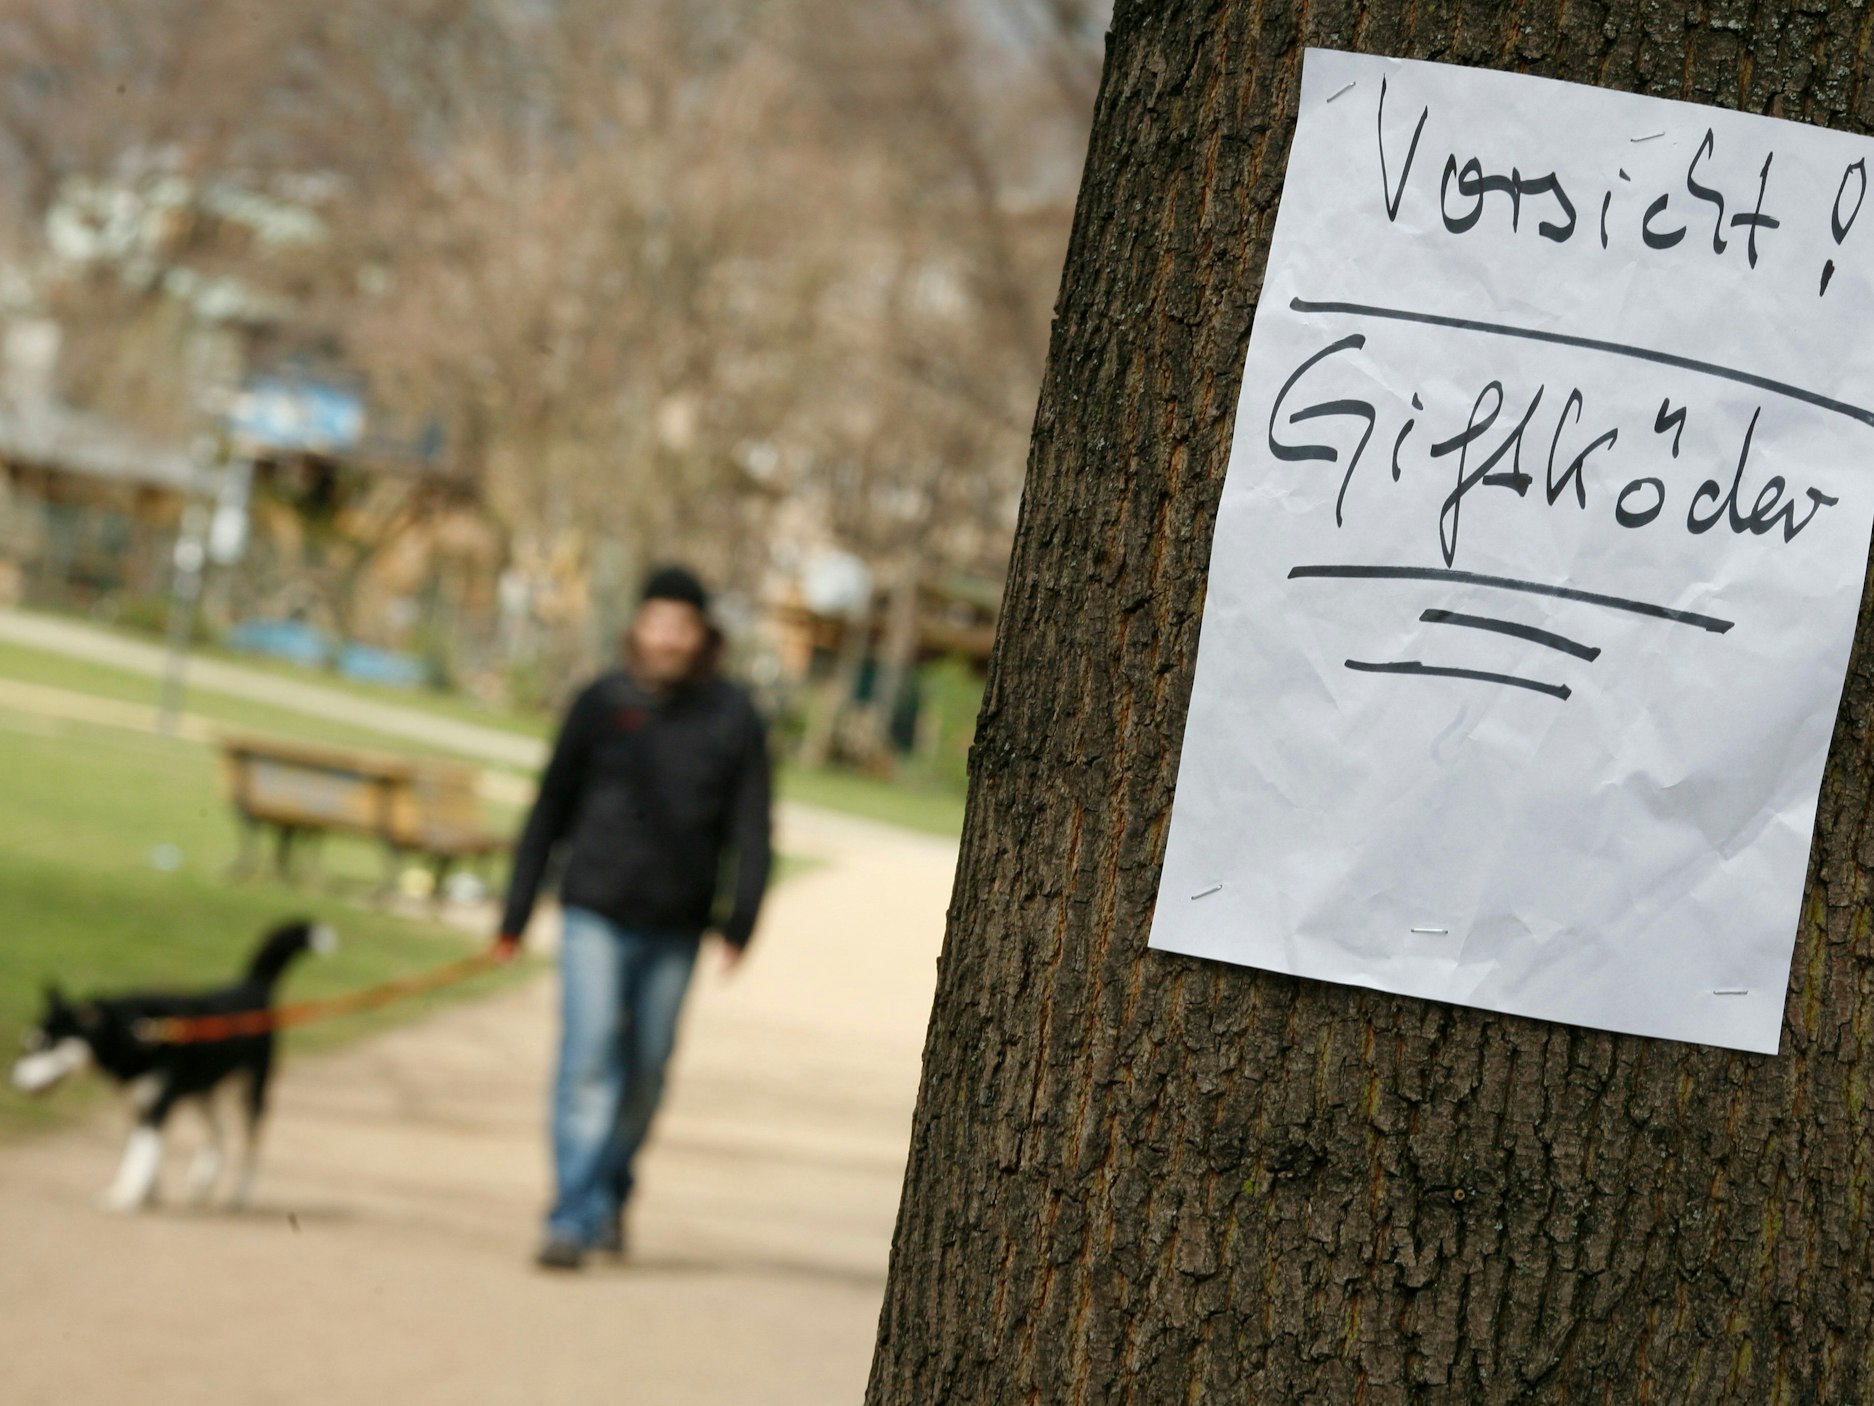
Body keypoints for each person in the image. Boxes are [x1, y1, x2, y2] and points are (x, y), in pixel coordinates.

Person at [493, 565, 772, 1270]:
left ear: (704, 635)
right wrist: (516, 912)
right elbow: (548, 806)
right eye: (657, 621)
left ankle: (611, 1187)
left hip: (677, 922)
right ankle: (571, 1217)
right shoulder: (600, 701)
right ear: (637, 626)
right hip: (593, 908)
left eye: (683, 626)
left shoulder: (732, 714)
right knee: (586, 1060)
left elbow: (754, 824)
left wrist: (741, 919)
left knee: (645, 1072)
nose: (668, 638)